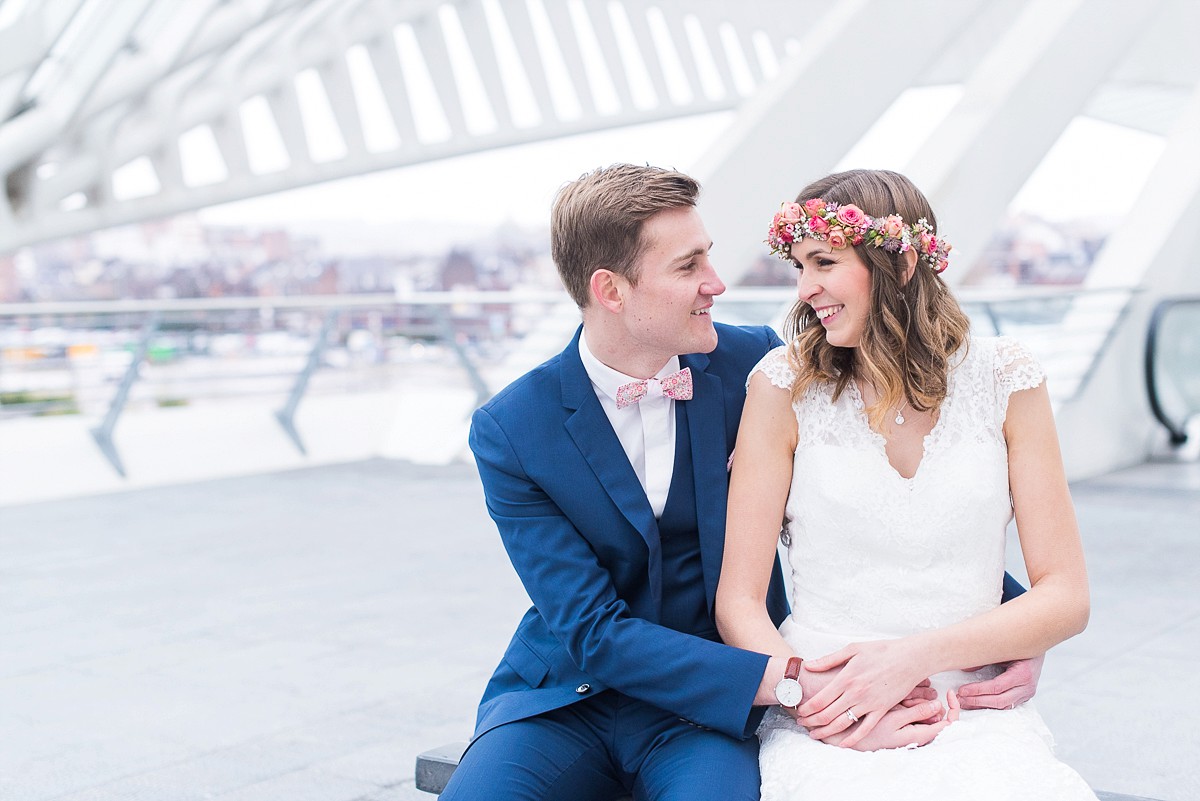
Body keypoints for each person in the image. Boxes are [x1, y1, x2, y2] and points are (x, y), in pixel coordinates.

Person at [442, 164, 1042, 801]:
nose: (716, 284)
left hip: (711, 712)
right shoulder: (512, 428)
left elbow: (883, 493)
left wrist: (1007, 626)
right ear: (612, 290)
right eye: (688, 266)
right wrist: (795, 684)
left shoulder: (760, 368)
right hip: (567, 698)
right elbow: (593, 632)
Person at [715, 168, 1096, 800]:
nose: (805, 289)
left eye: (824, 262)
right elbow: (740, 603)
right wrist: (820, 700)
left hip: (971, 706)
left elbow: (1066, 596)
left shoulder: (1010, 380)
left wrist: (912, 658)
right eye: (798, 267)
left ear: (900, 264)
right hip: (829, 710)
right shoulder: (781, 386)